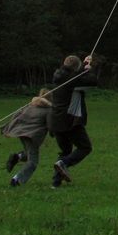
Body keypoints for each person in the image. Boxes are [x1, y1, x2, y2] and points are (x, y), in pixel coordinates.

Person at [48, 54, 98, 188]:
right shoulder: (73, 81)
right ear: (75, 68)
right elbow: (92, 82)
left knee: (66, 150)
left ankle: (56, 183)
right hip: (70, 121)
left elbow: (75, 77)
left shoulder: (58, 77)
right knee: (85, 147)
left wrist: (83, 66)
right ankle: (64, 163)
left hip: (55, 122)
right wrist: (89, 68)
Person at [2, 88, 52, 186]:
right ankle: (16, 180)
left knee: (29, 153)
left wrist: (8, 128)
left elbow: (17, 116)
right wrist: (53, 133)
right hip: (32, 136)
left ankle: (17, 157)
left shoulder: (30, 106)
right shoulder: (49, 110)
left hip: (22, 133)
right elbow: (51, 125)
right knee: (33, 162)